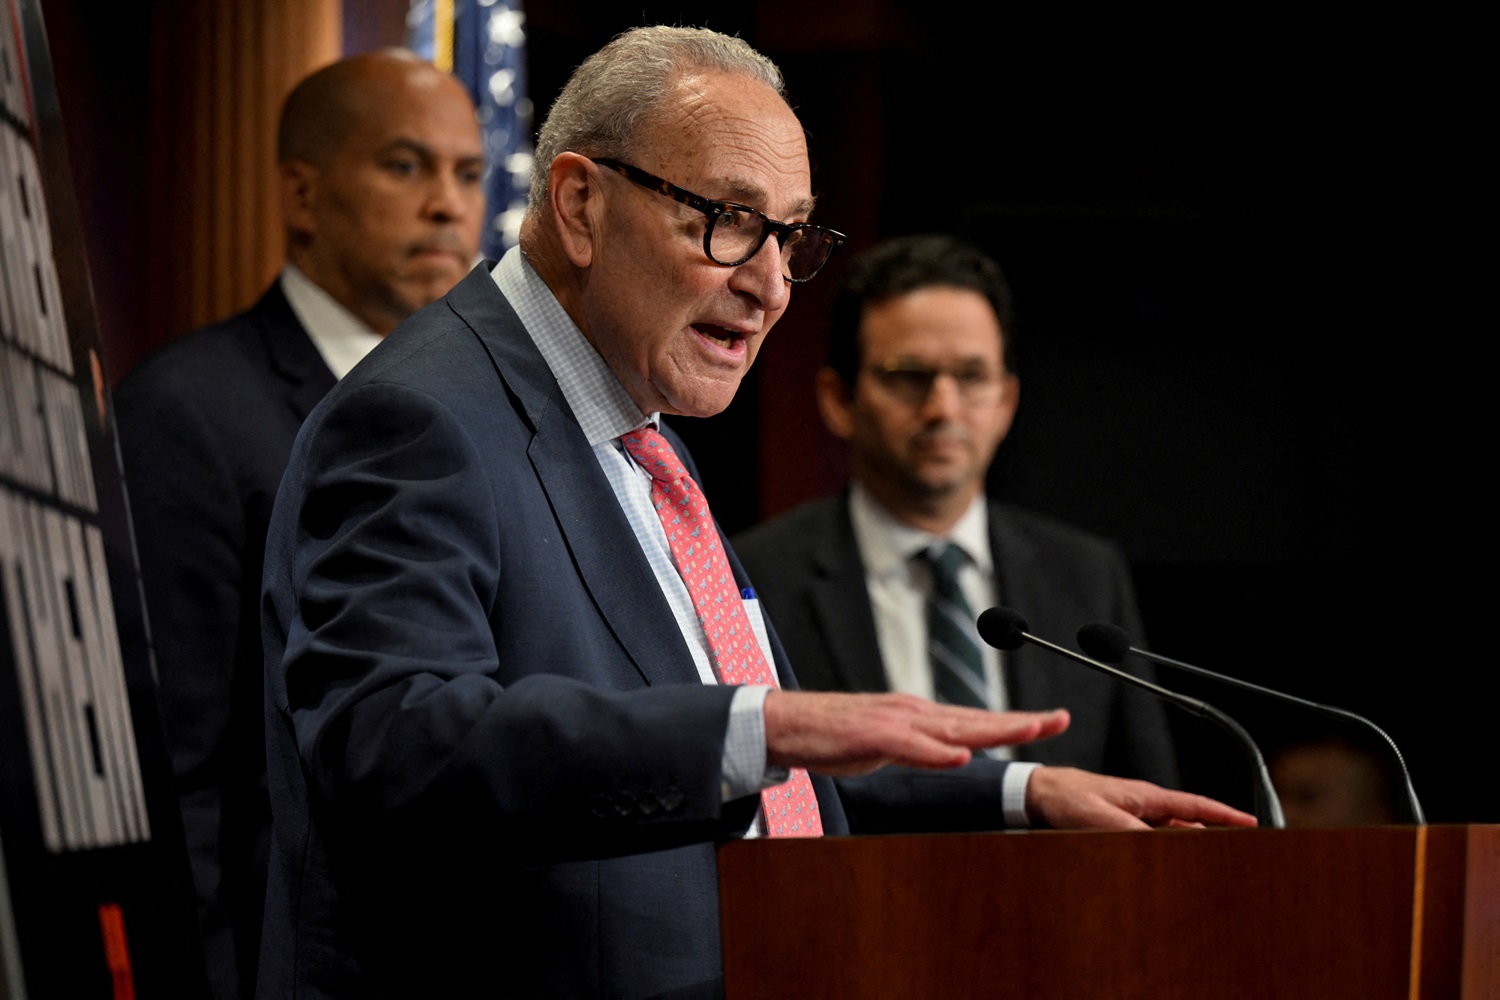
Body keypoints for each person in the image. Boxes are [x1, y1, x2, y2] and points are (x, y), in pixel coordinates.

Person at [259, 27, 1253, 999]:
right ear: (578, 203)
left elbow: (755, 764)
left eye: (791, 235)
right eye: (728, 220)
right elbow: (394, 740)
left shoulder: (637, 428)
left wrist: (1017, 791)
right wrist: (758, 721)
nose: (771, 284)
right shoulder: (422, 420)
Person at [112, 50, 483, 1000]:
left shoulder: (487, 415)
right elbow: (177, 778)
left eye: (469, 174)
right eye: (406, 167)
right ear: (303, 194)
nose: (449, 204)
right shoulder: (188, 409)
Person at [735, 236, 1178, 785]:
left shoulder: (1085, 575)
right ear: (839, 400)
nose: (943, 408)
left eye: (971, 377)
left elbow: (1148, 800)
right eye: (907, 376)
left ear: (1006, 401)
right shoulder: (758, 578)